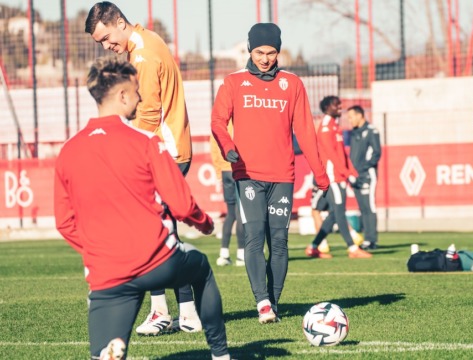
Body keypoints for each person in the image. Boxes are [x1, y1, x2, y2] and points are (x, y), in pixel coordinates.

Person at [54, 57, 231, 360]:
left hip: (107, 274)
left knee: (105, 356)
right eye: (136, 91)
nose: (140, 98)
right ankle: (221, 355)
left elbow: (64, 222)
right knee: (200, 269)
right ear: (122, 96)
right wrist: (204, 223)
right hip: (158, 262)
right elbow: (182, 204)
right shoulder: (146, 141)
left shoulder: (69, 151)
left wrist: (97, 251)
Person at [85, 2, 200, 336]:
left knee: (153, 236)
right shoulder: (146, 42)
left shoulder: (144, 56)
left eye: (107, 38)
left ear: (119, 23)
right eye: (101, 43)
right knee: (156, 234)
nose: (107, 47)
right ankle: (172, 311)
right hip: (168, 149)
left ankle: (179, 312)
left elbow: (148, 112)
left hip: (163, 151)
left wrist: (126, 150)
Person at [211, 23, 330, 324]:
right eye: (259, 52)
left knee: (279, 241)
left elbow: (305, 131)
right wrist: (227, 147)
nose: (265, 58)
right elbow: (217, 121)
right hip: (247, 174)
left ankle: (273, 301)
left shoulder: (292, 84)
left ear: (279, 51)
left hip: (282, 176)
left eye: (272, 52)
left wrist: (320, 172)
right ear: (250, 50)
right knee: (253, 238)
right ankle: (261, 301)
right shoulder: (234, 82)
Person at [305, 96, 372, 259]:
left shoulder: (335, 126)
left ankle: (314, 247)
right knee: (339, 212)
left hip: (340, 176)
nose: (340, 107)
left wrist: (352, 172)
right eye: (336, 105)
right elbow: (331, 155)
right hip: (332, 177)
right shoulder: (326, 127)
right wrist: (347, 173)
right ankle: (352, 249)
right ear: (328, 107)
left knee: (335, 213)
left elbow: (342, 153)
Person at [210, 123, 246, 266]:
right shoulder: (240, 122)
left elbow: (214, 149)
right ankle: (241, 254)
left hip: (225, 171)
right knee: (240, 214)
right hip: (237, 169)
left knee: (230, 214)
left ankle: (223, 254)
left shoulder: (218, 125)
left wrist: (219, 172)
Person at [347, 105, 381, 250]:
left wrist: (362, 169)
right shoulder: (354, 133)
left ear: (360, 115)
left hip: (367, 175)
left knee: (369, 206)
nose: (349, 120)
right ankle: (366, 238)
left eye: (351, 117)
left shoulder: (371, 131)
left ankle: (371, 239)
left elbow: (376, 153)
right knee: (362, 208)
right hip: (355, 176)